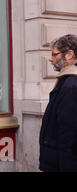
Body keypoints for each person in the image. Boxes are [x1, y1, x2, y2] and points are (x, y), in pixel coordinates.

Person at [39, 34, 77, 172]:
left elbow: (68, 132)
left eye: (54, 55)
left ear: (69, 55)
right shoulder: (67, 80)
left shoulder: (71, 85)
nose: (51, 59)